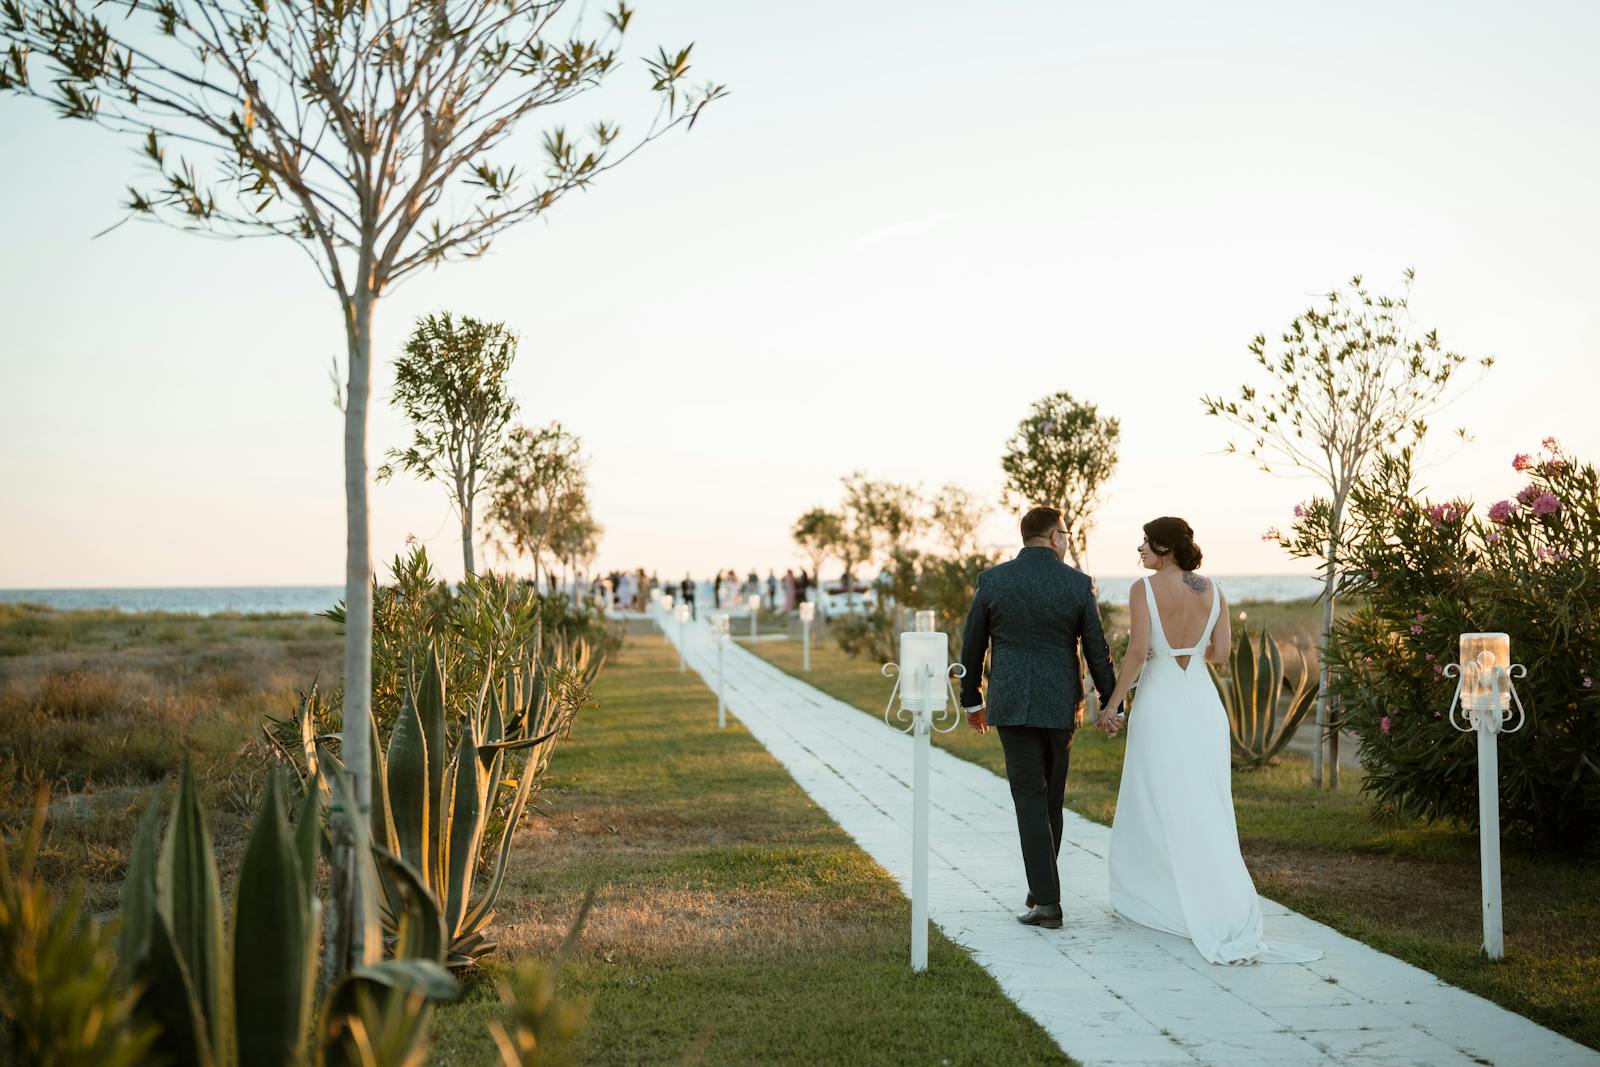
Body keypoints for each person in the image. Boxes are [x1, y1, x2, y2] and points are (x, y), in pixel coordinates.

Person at [1097, 517, 1322, 965]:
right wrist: (1188, 651)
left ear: (1163, 548)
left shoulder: (1143, 589)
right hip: (1201, 702)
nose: (1139, 549)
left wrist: (1112, 705)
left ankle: (1160, 895)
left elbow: (1138, 653)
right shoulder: (1213, 589)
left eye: (1145, 542)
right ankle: (1214, 895)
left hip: (1160, 704)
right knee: (1206, 802)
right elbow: (1220, 655)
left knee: (1154, 799)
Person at [959, 506, 1118, 929]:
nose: (1067, 541)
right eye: (1066, 534)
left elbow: (972, 644)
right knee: (1050, 800)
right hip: (1060, 705)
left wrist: (972, 699)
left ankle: (1044, 897)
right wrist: (1110, 699)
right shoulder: (1078, 584)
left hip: (1010, 703)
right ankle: (1044, 895)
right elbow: (1096, 649)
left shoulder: (993, 580)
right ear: (1055, 537)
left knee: (1030, 797)